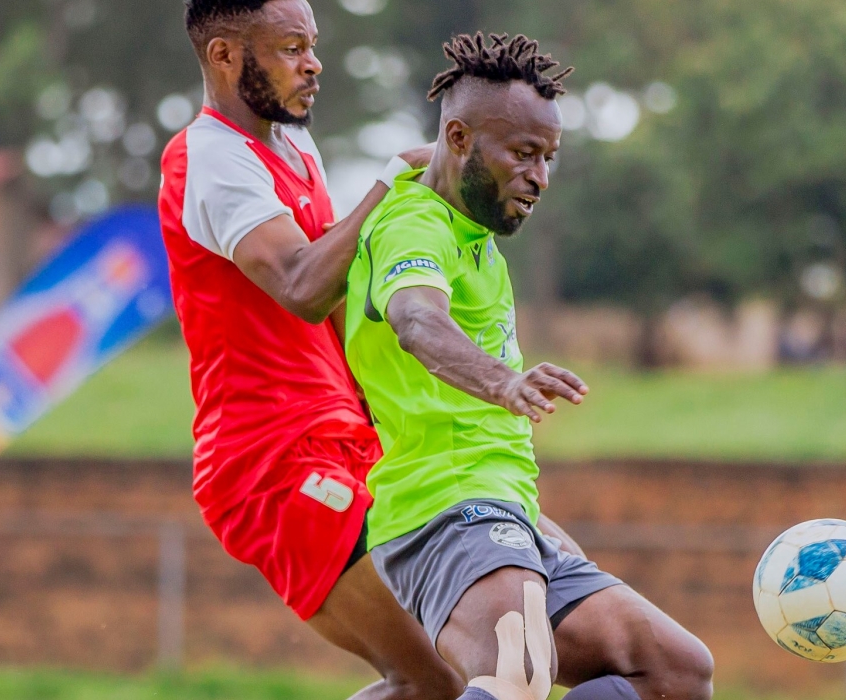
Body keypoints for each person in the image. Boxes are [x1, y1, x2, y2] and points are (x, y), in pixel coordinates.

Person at [161, 3, 581, 698]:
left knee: (479, 667)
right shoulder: (206, 157)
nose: (313, 63)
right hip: (272, 458)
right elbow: (301, 286)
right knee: (439, 677)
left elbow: (346, 292)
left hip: (349, 442)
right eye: (292, 48)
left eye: (313, 45)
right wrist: (388, 183)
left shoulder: (292, 149)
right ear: (226, 57)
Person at [344, 33, 715, 700]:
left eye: (548, 158)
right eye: (522, 154)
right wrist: (505, 381)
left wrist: (529, 517)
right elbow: (416, 321)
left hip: (500, 509)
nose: (540, 176)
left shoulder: (478, 240)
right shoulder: (414, 224)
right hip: (444, 510)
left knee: (675, 672)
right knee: (515, 679)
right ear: (458, 139)